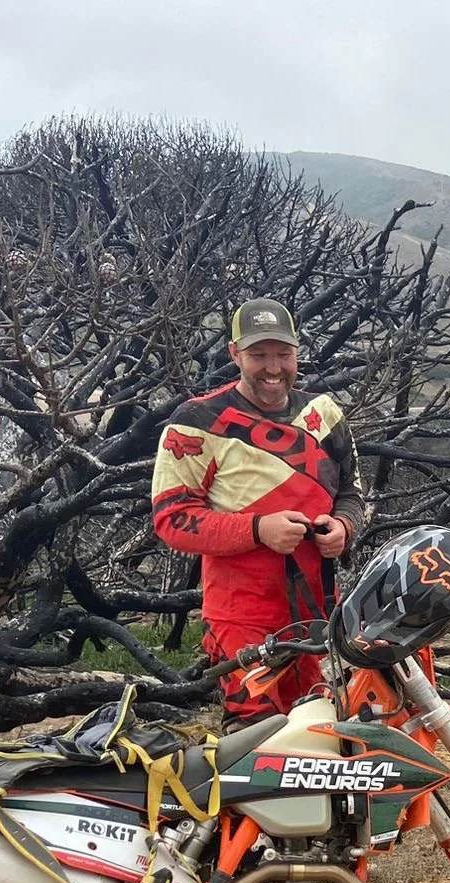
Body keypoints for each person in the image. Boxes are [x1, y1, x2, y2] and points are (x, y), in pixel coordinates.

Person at [150, 298, 368, 719]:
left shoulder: (323, 413)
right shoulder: (197, 422)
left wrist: (344, 527)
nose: (273, 367)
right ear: (235, 354)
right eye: (258, 355)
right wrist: (257, 529)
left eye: (283, 354)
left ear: (297, 352)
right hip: (241, 615)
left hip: (320, 609)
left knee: (329, 729)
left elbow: (352, 494)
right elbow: (171, 518)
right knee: (258, 740)